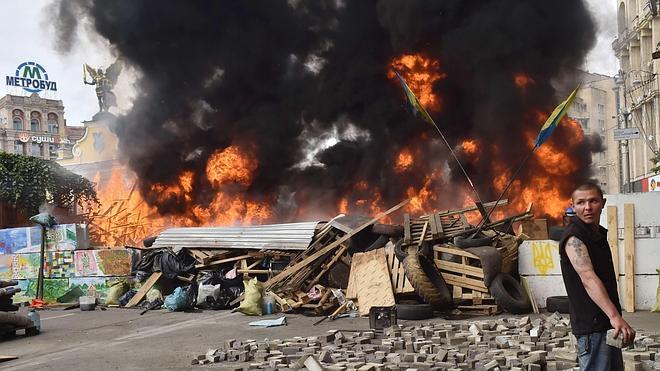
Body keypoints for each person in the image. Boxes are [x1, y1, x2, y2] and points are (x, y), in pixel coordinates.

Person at [559, 182, 635, 370]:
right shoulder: (574, 237)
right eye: (581, 202)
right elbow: (588, 278)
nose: (587, 207)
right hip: (592, 327)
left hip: (605, 325)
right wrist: (615, 316)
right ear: (572, 205)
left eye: (593, 201)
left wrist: (612, 319)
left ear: (603, 202)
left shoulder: (596, 234)